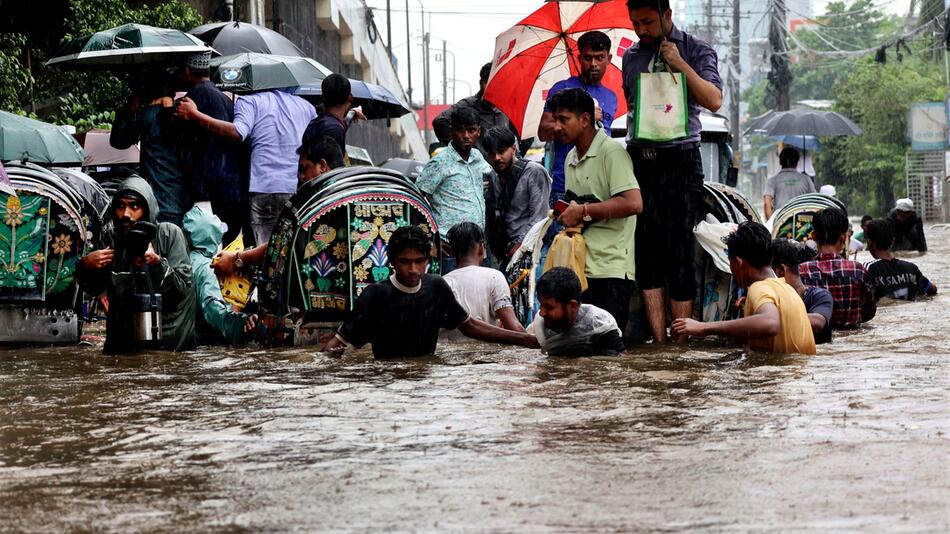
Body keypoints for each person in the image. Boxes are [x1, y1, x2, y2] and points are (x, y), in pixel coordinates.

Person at [623, 0, 723, 343]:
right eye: (635, 22)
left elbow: (714, 99)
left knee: (679, 249)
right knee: (647, 251)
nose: (641, 29)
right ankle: (658, 342)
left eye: (648, 21)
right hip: (641, 160)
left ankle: (680, 340)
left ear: (667, 15)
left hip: (681, 158)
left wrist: (679, 65)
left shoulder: (696, 50)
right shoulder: (631, 57)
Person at [322, 226, 540, 358]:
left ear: (428, 260)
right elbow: (338, 345)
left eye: (419, 261)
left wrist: (523, 340)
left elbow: (470, 326)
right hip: (386, 381)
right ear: (392, 262)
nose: (413, 270)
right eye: (405, 262)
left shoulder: (436, 287)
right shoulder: (375, 295)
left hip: (427, 376)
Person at [547, 88, 642, 336]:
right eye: (555, 119)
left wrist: (583, 211)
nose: (556, 127)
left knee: (608, 353)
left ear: (585, 119)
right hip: (580, 268)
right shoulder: (569, 158)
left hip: (611, 269)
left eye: (563, 119)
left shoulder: (612, 152)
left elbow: (633, 203)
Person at [176, 88, 316, 245]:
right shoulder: (306, 107)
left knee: (262, 249)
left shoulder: (250, 101)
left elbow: (238, 132)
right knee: (287, 248)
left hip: (264, 188)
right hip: (294, 188)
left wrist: (194, 114)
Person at [77, 177, 196, 354]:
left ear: (147, 209)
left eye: (134, 206)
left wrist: (157, 264)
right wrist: (86, 265)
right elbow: (95, 289)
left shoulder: (169, 234)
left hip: (170, 343)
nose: (126, 214)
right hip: (124, 344)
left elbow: (182, 291)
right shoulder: (111, 238)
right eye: (120, 206)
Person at [672, 222, 816, 355]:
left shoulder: (758, 288)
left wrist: (704, 328)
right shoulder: (788, 289)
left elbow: (770, 323)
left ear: (739, 262)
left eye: (730, 263)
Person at [213, 135, 345, 277]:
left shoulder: (316, 203)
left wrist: (238, 259)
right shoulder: (349, 193)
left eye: (304, 169)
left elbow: (281, 244)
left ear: (322, 166)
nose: (301, 177)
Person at [538, 31, 619, 203]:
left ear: (609, 58)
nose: (593, 64)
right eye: (587, 58)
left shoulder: (611, 97)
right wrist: (579, 118)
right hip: (566, 186)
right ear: (579, 57)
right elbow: (543, 132)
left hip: (601, 185)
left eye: (599, 58)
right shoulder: (563, 89)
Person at [177, 51, 245, 244]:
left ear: (187, 71)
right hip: (231, 187)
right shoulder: (224, 98)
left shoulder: (196, 96)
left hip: (208, 190)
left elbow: (175, 129)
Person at [415, 107, 493, 271]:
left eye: (471, 130)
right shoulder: (440, 162)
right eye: (460, 130)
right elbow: (416, 200)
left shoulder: (478, 157)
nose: (466, 136)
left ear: (478, 132)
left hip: (477, 246)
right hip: (450, 249)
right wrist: (431, 237)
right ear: (451, 131)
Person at [110, 73, 189, 226]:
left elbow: (119, 140)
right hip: (178, 192)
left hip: (160, 194)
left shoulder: (150, 114)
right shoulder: (181, 112)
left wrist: (130, 110)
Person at [182, 206, 257, 345]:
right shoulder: (207, 268)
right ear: (213, 237)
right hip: (200, 343)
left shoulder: (179, 260)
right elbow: (213, 309)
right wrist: (240, 324)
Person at [440, 222, 526, 342]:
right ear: (481, 248)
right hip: (484, 355)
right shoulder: (494, 277)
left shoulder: (442, 283)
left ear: (452, 252)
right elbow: (512, 325)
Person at [482, 127, 552, 265]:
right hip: (505, 252)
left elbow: (539, 217)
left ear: (513, 149)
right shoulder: (494, 176)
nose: (497, 158)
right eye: (492, 154)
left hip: (531, 250)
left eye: (501, 152)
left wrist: (519, 245)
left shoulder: (534, 172)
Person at [799, 207, 876, 329]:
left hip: (818, 338)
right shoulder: (858, 270)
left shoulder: (801, 271)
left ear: (813, 236)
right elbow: (869, 311)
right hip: (853, 340)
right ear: (843, 238)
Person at [529, 267, 626, 356]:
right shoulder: (540, 325)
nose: (542, 313)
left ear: (572, 306)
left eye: (549, 307)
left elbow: (621, 359)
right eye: (541, 305)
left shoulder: (599, 323)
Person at [432, 62, 516, 158]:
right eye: (489, 84)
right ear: (481, 83)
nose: (493, 89)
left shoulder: (506, 108)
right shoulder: (467, 105)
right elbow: (439, 122)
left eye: (498, 84)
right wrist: (459, 149)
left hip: (499, 168)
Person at [770, 238, 833, 344]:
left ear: (779, 271)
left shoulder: (820, 296)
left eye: (767, 272)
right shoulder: (771, 300)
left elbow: (818, 323)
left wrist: (768, 321)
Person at [864, 219, 937, 301]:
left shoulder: (868, 268)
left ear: (870, 242)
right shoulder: (911, 268)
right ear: (893, 241)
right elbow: (932, 289)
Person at [302, 73, 363, 152]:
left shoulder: (316, 123)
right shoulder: (334, 130)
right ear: (350, 97)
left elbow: (343, 123)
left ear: (323, 97)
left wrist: (353, 112)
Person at [763, 147, 816, 219]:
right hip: (802, 223)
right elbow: (814, 200)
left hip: (781, 222)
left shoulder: (772, 180)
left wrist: (771, 224)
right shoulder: (806, 179)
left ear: (780, 162)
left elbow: (767, 204)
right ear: (797, 162)